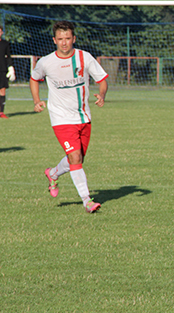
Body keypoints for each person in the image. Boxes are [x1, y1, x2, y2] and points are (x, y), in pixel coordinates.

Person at [30, 21, 108, 213]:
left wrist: (102, 95)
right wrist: (37, 100)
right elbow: (34, 78)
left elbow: (102, 79)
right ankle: (87, 200)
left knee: (77, 159)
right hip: (61, 119)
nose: (64, 43)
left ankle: (53, 173)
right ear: (54, 40)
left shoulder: (84, 57)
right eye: (60, 39)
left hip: (83, 117)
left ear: (73, 38)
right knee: (75, 156)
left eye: (67, 38)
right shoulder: (46, 62)